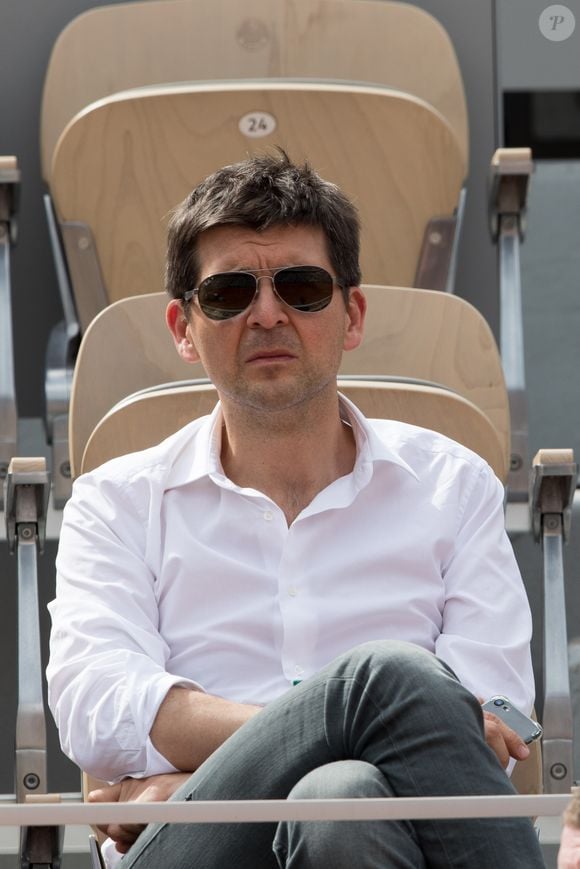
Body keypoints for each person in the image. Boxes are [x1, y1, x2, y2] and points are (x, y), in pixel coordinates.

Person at [47, 151, 545, 868]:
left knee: (343, 797)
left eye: (303, 286)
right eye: (228, 293)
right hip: (192, 848)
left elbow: (501, 717)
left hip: (378, 836)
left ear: (353, 315)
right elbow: (99, 706)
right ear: (183, 328)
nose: (268, 313)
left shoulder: (452, 484)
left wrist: (190, 776)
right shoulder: (116, 502)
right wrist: (362, 716)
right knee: (392, 683)